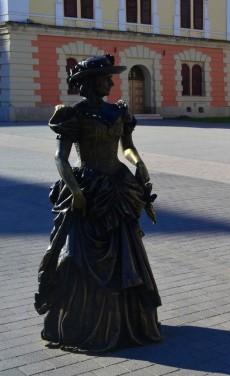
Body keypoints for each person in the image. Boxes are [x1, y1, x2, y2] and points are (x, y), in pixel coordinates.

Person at [35, 55, 162, 352]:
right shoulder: (73, 114)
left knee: (126, 256)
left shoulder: (118, 111)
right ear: (91, 83)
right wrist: (75, 191)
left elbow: (127, 148)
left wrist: (138, 162)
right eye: (106, 77)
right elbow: (61, 157)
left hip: (118, 187)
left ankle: (127, 323)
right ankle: (83, 323)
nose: (112, 81)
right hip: (89, 190)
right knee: (76, 256)